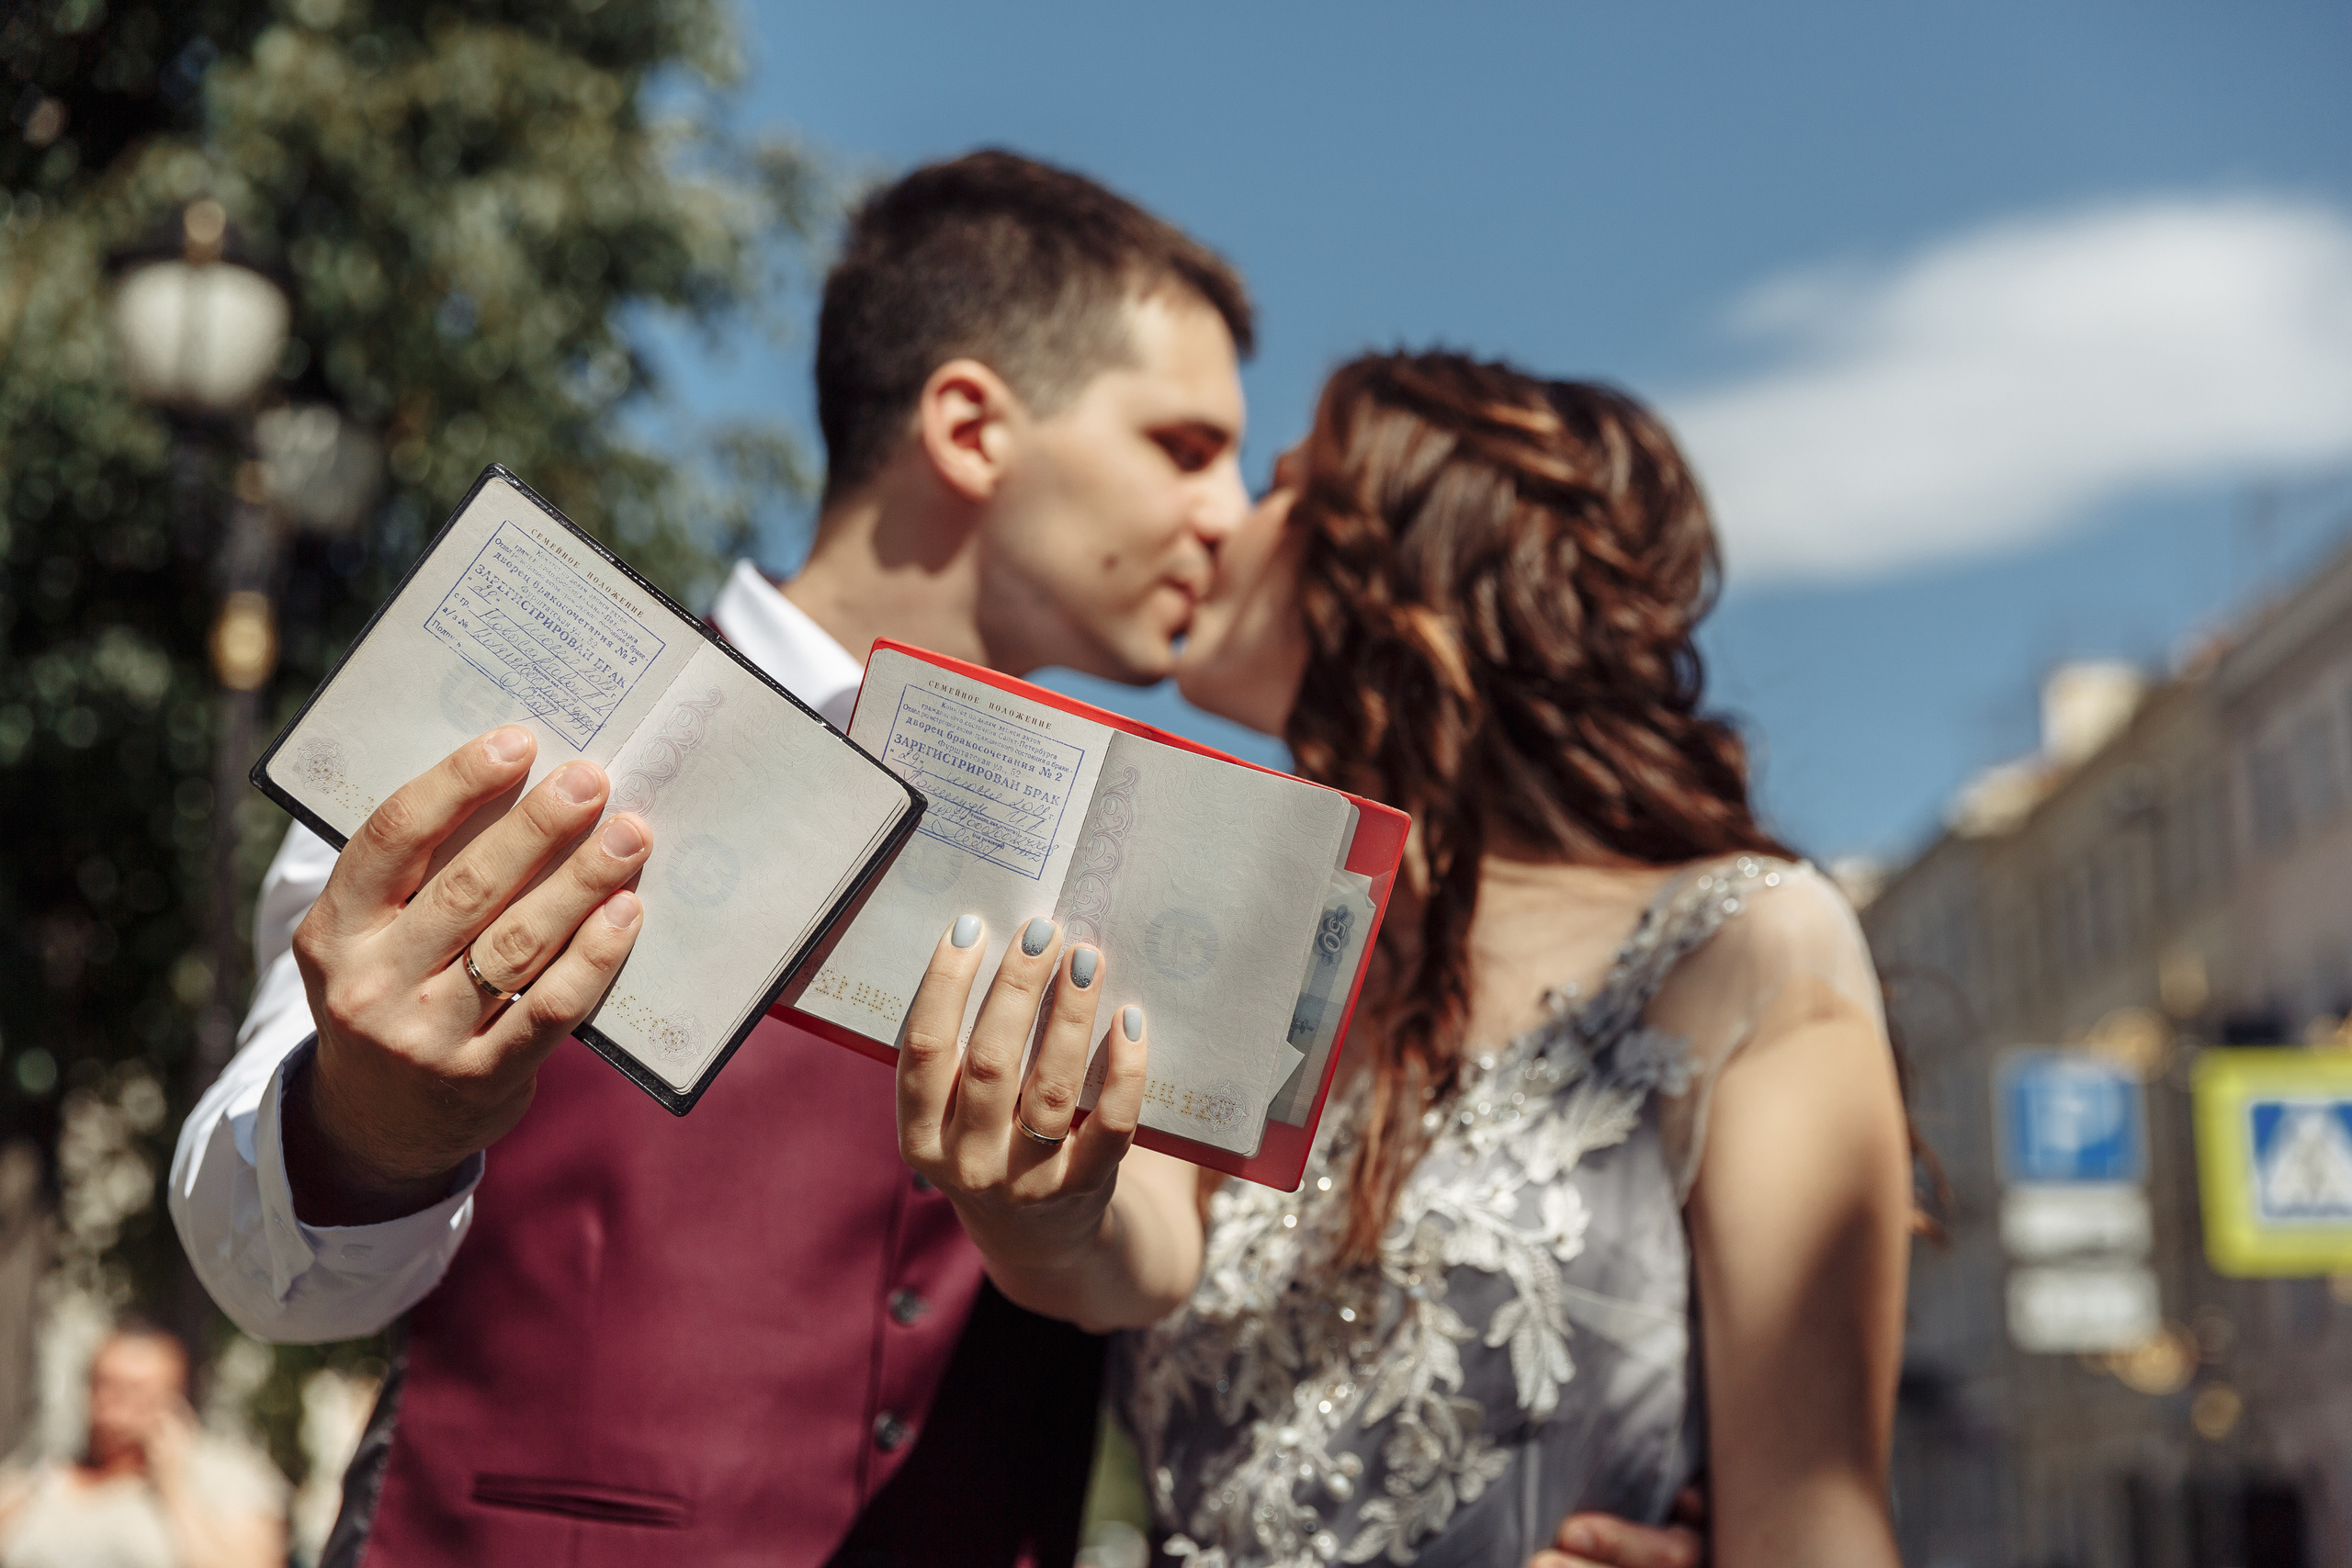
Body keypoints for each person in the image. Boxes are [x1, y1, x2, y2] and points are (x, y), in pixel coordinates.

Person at [168, 152, 1713, 1567]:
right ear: (972, 429)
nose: (1229, 517)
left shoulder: (1192, 854)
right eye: (1185, 447)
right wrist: (375, 1118)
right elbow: (265, 1274)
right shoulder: (532, 725)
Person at [893, 353, 1914, 1566]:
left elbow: (1815, 1522)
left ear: (1404, 562)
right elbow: (1131, 1254)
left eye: (1281, 483)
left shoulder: (1743, 945)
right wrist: (1033, 1205)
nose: (1221, 522)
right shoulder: (1241, 922)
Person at [0, 1324, 285, 1568]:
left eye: (134, 1392)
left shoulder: (226, 1479)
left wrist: (173, 1485)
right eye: (103, 1385)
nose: (111, 1406)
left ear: (176, 1399)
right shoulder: (36, 1480)